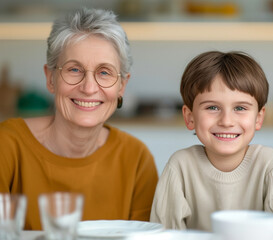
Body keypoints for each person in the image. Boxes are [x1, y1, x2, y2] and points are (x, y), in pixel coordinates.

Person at [0, 8, 158, 230]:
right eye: (74, 69)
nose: (89, 88)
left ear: (122, 86)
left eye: (104, 72)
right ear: (51, 78)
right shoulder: (6, 145)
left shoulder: (136, 159)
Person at [150, 51, 273, 233]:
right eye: (212, 107)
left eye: (240, 108)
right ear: (190, 117)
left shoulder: (268, 163)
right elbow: (162, 235)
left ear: (258, 118)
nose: (226, 121)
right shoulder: (180, 166)